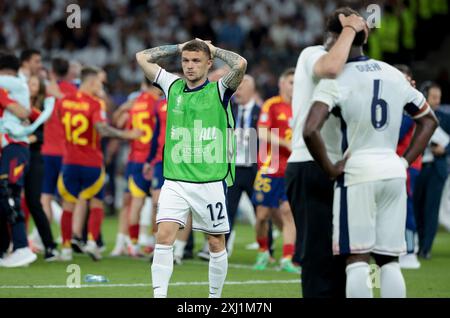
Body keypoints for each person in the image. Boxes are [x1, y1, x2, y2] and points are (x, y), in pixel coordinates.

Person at [302, 15, 438, 298]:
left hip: (358, 171)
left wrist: (329, 167)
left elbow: (310, 129)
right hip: (392, 170)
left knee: (357, 260)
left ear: (336, 38)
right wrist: (404, 161)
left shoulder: (336, 78)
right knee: (389, 260)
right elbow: (428, 121)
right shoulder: (393, 73)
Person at [136, 38, 247, 298]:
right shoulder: (171, 85)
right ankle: (159, 295)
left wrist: (215, 49)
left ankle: (214, 298)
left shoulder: (219, 90)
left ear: (209, 64)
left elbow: (240, 63)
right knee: (163, 236)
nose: (189, 66)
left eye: (196, 60)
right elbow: (142, 57)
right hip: (175, 180)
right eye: (185, 61)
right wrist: (179, 47)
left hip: (210, 181)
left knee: (215, 242)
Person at [285, 7, 368, 298]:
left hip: (339, 166)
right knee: (318, 254)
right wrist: (350, 28)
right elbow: (330, 67)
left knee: (342, 251)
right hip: (310, 163)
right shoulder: (312, 54)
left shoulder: (354, 67)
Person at [57, 66, 142, 261]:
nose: (101, 86)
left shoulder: (65, 101)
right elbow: (102, 129)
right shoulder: (95, 104)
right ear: (92, 82)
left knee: (68, 205)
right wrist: (126, 134)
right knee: (96, 203)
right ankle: (93, 243)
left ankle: (66, 249)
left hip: (70, 160)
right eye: (99, 83)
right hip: (92, 161)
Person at [252, 68, 299, 273]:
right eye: (291, 82)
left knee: (288, 212)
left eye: (297, 83)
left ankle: (288, 257)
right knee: (262, 215)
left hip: (291, 168)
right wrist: (285, 144)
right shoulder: (272, 105)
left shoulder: (302, 107)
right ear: (281, 84)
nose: (294, 86)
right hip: (269, 166)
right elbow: (262, 133)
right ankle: (263, 251)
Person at [110, 78, 159, 257]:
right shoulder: (158, 103)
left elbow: (121, 125)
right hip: (152, 159)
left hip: (134, 159)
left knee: (131, 204)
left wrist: (123, 108)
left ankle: (132, 243)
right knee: (156, 204)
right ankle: (155, 244)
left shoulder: (135, 103)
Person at [0, 52, 36, 267]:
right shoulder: (14, 90)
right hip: (9, 148)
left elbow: (24, 113)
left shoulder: (12, 87)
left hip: (16, 147)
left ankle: (22, 247)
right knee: (4, 196)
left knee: (9, 192)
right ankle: (4, 249)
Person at [23, 74, 59, 261]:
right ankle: (15, 245)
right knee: (10, 200)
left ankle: (50, 246)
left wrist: (28, 138)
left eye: (35, 83)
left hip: (34, 156)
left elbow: (41, 135)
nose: (31, 86)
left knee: (34, 202)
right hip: (17, 154)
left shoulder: (42, 108)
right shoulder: (18, 105)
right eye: (29, 82)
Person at [414, 82, 449, 260]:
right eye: (433, 97)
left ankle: (426, 248)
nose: (437, 101)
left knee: (431, 209)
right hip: (418, 166)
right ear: (425, 96)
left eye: (439, 97)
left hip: (437, 168)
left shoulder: (444, 116)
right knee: (417, 207)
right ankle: (418, 243)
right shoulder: (415, 114)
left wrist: (445, 149)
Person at [226, 74, 260, 257]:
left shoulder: (260, 111)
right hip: (232, 167)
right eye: (236, 88)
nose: (237, 92)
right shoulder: (230, 109)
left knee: (261, 210)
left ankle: (266, 247)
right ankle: (223, 248)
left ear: (251, 90)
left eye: (241, 88)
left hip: (253, 167)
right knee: (228, 209)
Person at [394, 65, 422, 269]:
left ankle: (410, 251)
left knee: (405, 207)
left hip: (404, 164)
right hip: (386, 162)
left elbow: (398, 133)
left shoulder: (410, 105)